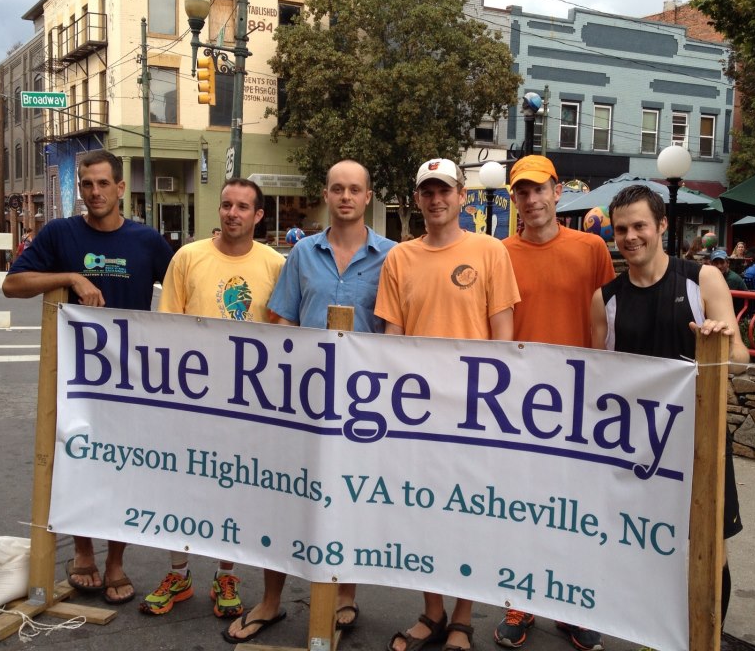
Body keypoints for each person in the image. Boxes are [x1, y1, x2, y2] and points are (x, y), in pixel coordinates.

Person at [227, 161, 396, 642]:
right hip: (301, 400)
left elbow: (394, 332)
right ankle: (270, 600)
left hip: (361, 406)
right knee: (285, 497)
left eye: (355, 189)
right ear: (326, 194)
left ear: (368, 197)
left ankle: (345, 595)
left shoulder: (391, 256)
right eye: (337, 188)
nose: (346, 197)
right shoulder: (302, 253)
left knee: (351, 500)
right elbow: (282, 320)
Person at [2, 149, 174, 605]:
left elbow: (182, 289)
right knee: (75, 463)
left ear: (121, 188)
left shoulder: (147, 241)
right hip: (74, 378)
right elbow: (12, 284)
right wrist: (71, 278)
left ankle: (115, 561)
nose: (94, 192)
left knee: (123, 469)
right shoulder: (60, 233)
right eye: (86, 184)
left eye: (102, 184)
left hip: (130, 378)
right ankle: (83, 552)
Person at [590, 184, 749, 643]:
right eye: (621, 229)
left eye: (640, 225)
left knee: (710, 549)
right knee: (644, 547)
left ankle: (705, 639)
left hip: (702, 441)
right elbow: (599, 377)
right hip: (637, 448)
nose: (630, 237)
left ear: (661, 225)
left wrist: (720, 341)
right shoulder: (606, 298)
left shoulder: (703, 280)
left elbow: (741, 358)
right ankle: (652, 636)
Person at [376, 158, 520, 651]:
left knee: (468, 516)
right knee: (423, 515)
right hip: (418, 413)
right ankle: (432, 612)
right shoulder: (400, 258)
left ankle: (462, 618)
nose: (436, 200)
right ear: (417, 199)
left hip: (473, 412)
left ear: (462, 195)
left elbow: (504, 337)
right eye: (428, 192)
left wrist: (494, 407)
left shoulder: (490, 251)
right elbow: (392, 339)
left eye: (445, 191)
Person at [140, 178, 286, 622]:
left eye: (242, 207)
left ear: (258, 215)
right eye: (226, 205)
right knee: (181, 485)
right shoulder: (188, 257)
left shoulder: (276, 264)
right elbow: (168, 326)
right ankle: (178, 574)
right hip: (193, 396)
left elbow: (283, 333)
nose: (232, 213)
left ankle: (227, 575)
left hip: (248, 402)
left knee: (235, 488)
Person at [493, 155, 615, 651]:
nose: (532, 199)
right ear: (514, 199)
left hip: (579, 401)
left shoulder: (591, 248)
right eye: (522, 191)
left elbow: (606, 319)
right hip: (518, 405)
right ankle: (520, 600)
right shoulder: (499, 253)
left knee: (574, 509)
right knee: (520, 506)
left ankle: (571, 605)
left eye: (539, 189)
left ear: (558, 191)